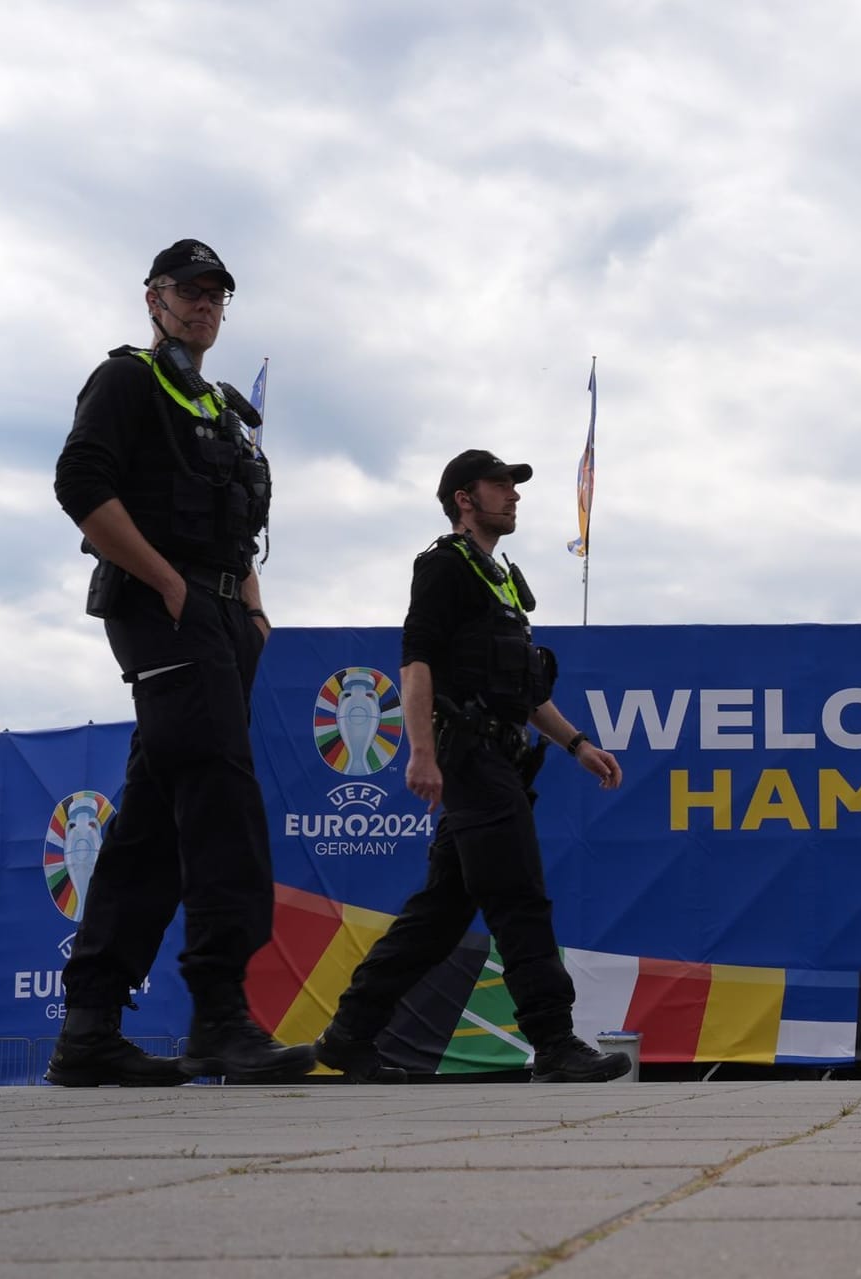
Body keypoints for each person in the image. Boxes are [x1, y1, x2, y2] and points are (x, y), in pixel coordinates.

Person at [47, 240, 312, 1086]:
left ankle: (88, 1030)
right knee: (222, 798)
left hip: (227, 617)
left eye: (216, 296)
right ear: (154, 299)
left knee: (156, 823)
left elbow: (234, 525)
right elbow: (80, 487)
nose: (204, 306)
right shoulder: (127, 379)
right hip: (169, 611)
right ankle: (220, 1016)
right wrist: (168, 586)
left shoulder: (226, 408)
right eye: (189, 292)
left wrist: (256, 609)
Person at [313, 450, 633, 1083]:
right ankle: (554, 1041)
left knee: (439, 916)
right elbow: (416, 665)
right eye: (500, 485)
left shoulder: (503, 578)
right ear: (464, 498)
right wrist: (422, 755)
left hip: (500, 758)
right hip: (469, 758)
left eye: (515, 487)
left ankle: (349, 1035)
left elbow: (526, 692)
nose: (513, 496)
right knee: (519, 896)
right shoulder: (442, 567)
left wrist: (577, 745)